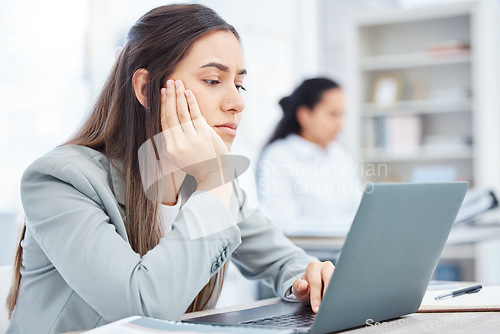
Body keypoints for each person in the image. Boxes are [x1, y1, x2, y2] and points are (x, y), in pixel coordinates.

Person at [5, 4, 335, 334]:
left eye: (239, 84)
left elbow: (281, 260)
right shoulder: (60, 181)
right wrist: (213, 181)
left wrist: (307, 277)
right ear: (147, 89)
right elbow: (142, 308)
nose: (237, 102)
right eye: (212, 80)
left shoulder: (210, 183)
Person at [257, 78, 362, 236]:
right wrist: (344, 227)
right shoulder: (278, 156)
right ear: (305, 115)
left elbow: (358, 210)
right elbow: (284, 224)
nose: (341, 123)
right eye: (333, 114)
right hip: (307, 255)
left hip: (344, 249)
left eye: (342, 115)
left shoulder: (340, 155)